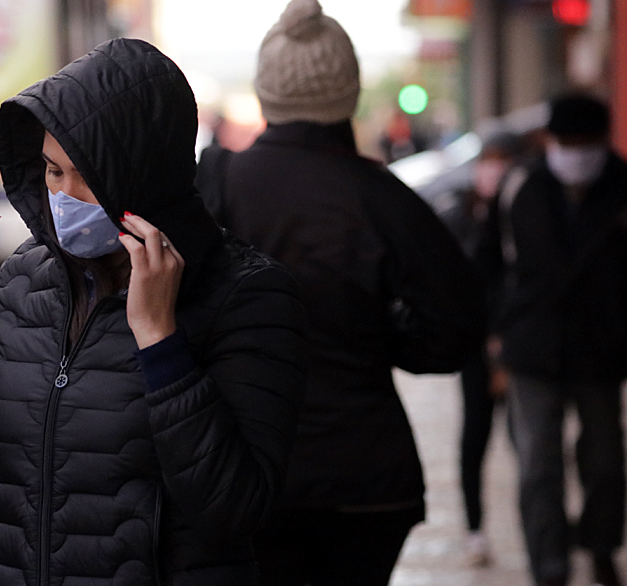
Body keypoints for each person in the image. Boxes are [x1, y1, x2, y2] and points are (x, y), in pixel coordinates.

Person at [0, 38, 308, 586]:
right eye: (53, 172)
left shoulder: (247, 295)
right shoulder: (26, 282)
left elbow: (234, 510)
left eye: (89, 177)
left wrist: (161, 342)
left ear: (145, 178)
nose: (65, 196)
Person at [194, 1, 485, 584]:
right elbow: (456, 331)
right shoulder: (387, 198)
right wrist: (382, 339)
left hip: (245, 467)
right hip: (368, 476)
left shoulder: (216, 183)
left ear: (268, 90)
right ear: (347, 92)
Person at [477, 93, 627, 586]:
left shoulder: (621, 185)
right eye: (568, 142)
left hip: (603, 349)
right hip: (533, 348)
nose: (577, 152)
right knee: (537, 465)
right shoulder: (522, 184)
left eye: (586, 143)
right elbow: (488, 265)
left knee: (605, 460)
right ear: (550, 141)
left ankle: (600, 544)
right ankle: (550, 564)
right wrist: (496, 329)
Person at [432, 130, 527, 566]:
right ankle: (475, 528)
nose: (494, 170)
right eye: (489, 160)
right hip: (476, 345)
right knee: (475, 436)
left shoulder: (528, 210)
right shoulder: (459, 214)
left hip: (522, 344)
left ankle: (536, 530)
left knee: (528, 442)